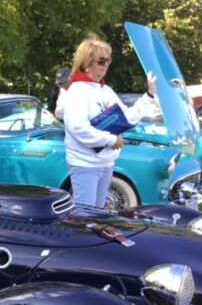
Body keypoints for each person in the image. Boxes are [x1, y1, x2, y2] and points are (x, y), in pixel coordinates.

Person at [63, 33, 156, 207]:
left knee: (99, 217)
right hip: (85, 165)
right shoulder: (77, 91)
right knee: (86, 217)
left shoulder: (105, 90)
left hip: (106, 164)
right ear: (86, 63)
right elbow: (77, 127)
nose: (106, 65)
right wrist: (112, 139)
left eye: (108, 60)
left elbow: (127, 117)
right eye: (101, 61)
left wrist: (149, 95)